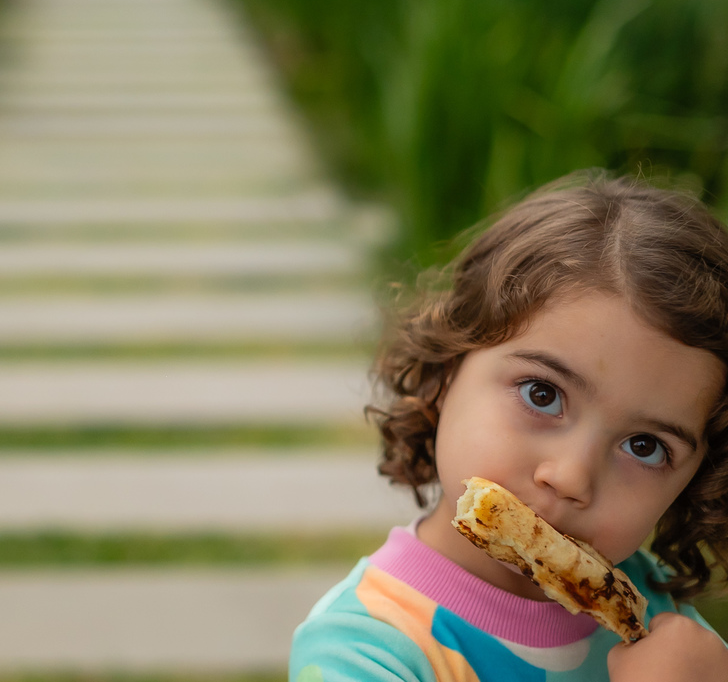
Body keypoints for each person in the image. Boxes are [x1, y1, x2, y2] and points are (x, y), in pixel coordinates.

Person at [290, 171, 728, 681]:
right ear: (445, 372)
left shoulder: (656, 613)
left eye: (645, 446)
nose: (570, 477)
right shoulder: (364, 649)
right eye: (542, 394)